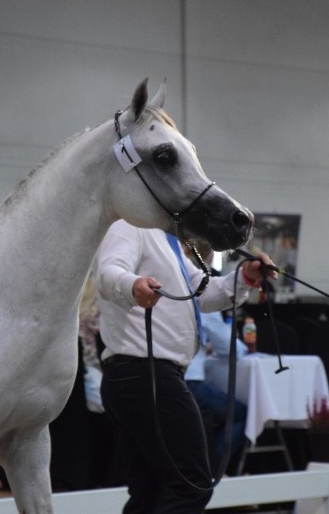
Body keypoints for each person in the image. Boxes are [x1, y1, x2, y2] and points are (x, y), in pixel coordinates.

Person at [95, 220, 274, 514]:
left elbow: (201, 293)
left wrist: (244, 276)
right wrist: (132, 284)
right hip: (145, 374)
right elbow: (107, 272)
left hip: (141, 376)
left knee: (150, 491)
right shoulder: (130, 226)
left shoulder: (167, 240)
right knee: (192, 485)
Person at [181, 241, 248, 475]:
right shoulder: (198, 287)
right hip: (190, 382)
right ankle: (212, 470)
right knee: (242, 415)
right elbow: (228, 346)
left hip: (165, 375)